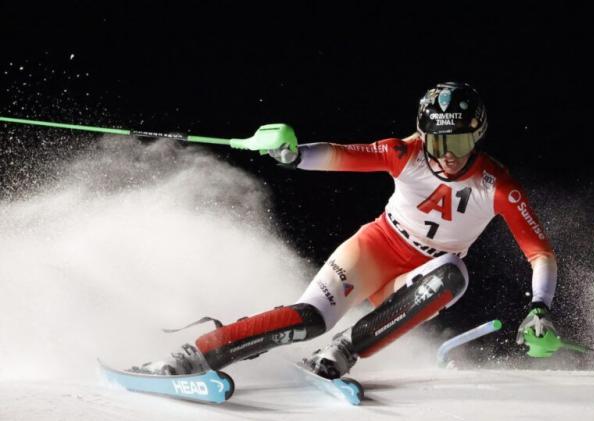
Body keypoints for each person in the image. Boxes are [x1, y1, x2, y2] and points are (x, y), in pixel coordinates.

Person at [136, 81, 559, 378]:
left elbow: (540, 253)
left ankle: (342, 351)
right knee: (309, 318)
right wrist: (292, 155)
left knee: (453, 274)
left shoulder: (499, 187)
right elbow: (340, 155)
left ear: (478, 137)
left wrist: (540, 307)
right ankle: (190, 358)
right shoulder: (404, 152)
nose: (447, 157)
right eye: (438, 142)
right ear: (423, 135)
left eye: (460, 144)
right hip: (376, 248)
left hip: (419, 278)